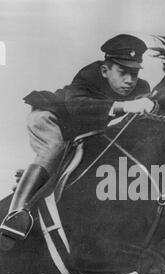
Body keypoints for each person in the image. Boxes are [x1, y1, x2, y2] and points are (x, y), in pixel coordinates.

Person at [0, 34, 154, 250]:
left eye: (134, 74)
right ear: (104, 70)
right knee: (55, 148)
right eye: (123, 72)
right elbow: (77, 108)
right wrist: (123, 107)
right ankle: (14, 215)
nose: (129, 80)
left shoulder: (140, 88)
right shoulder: (88, 76)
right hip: (50, 118)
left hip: (79, 134)